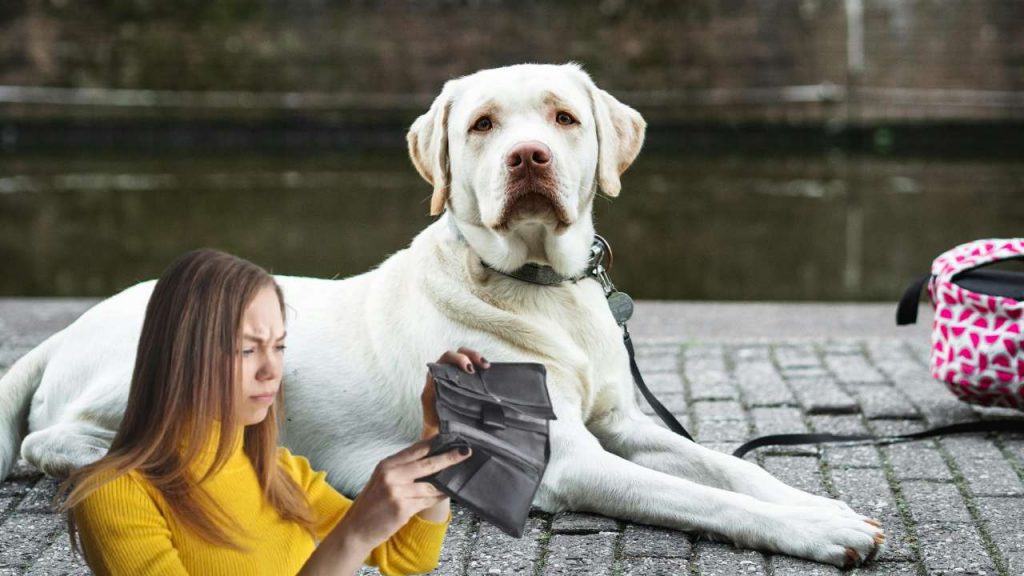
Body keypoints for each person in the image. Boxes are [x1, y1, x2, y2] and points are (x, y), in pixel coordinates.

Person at [56, 248, 486, 575]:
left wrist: (438, 435)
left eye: (279, 347)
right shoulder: (114, 492)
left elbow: (409, 554)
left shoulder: (277, 471)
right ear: (182, 356)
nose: (271, 371)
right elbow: (361, 542)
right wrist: (352, 535)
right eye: (248, 349)